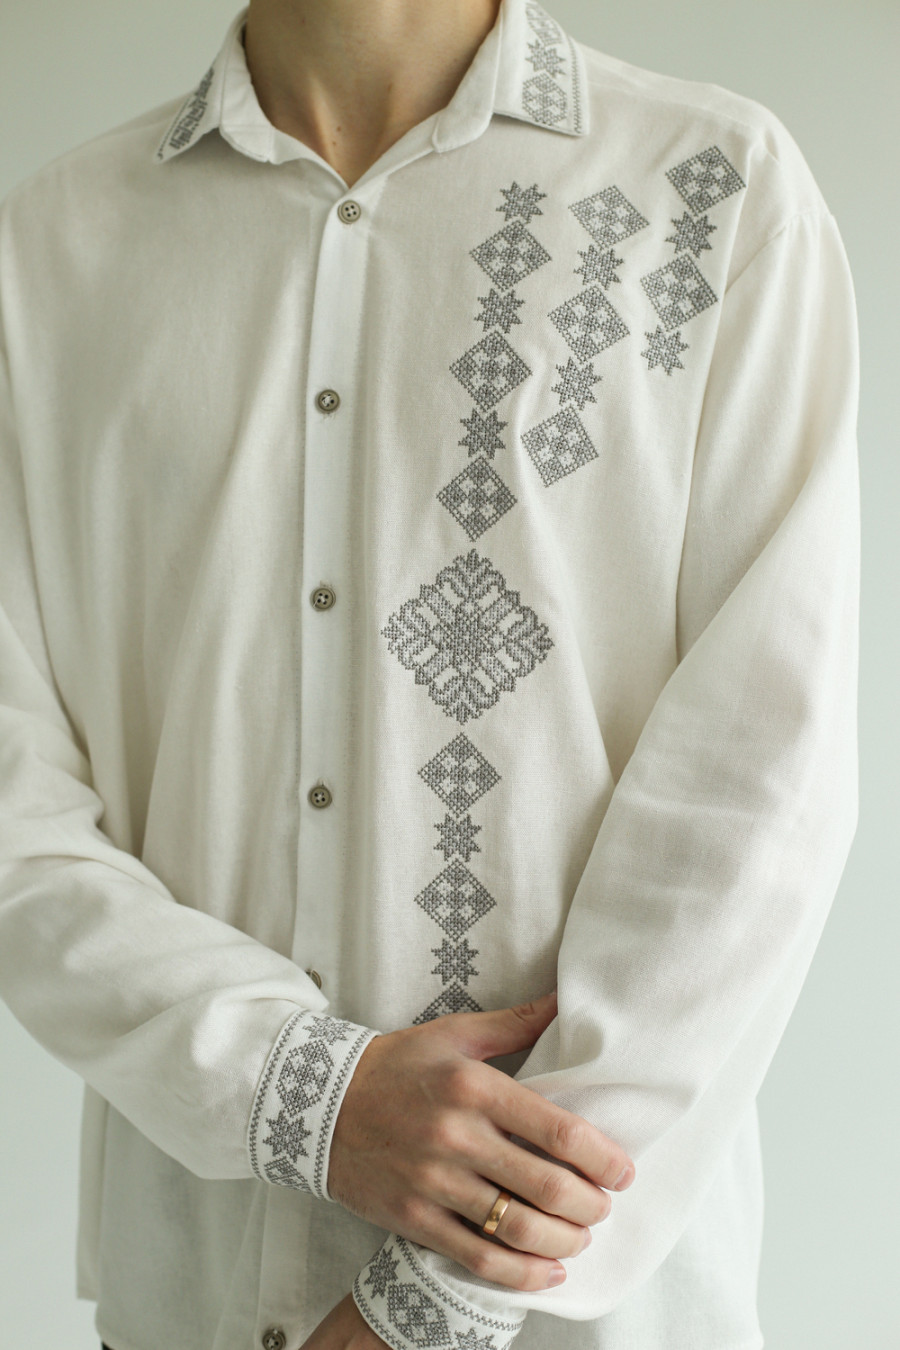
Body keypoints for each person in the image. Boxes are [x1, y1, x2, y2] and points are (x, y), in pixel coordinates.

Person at [0, 0, 860, 1346]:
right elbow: (15, 802)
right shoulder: (52, 248)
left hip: (582, 1318)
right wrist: (305, 1095)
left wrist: (442, 1295)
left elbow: (759, 785)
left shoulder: (713, 187)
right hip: (195, 1297)